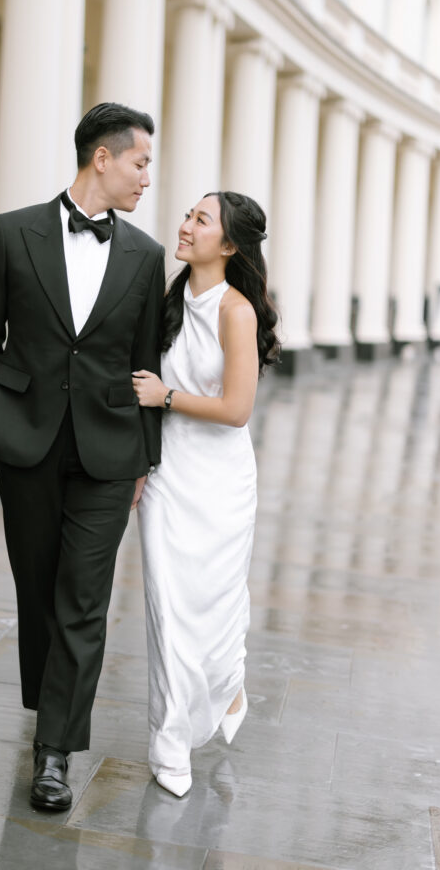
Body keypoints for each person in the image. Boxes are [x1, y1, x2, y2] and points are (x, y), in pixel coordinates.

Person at [0, 102, 165, 811]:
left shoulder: (146, 254)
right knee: (39, 589)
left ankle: (55, 753)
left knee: (85, 599)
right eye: (141, 163)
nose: (147, 178)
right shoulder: (12, 233)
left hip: (110, 452)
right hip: (27, 441)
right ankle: (48, 707)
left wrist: (146, 457)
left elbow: (147, 362)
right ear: (101, 159)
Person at [132, 190, 279, 797]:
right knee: (167, 608)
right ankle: (170, 743)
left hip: (220, 481)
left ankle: (225, 682)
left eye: (201, 220)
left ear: (229, 244)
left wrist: (164, 395)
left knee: (211, 611)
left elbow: (237, 409)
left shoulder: (236, 310)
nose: (186, 225)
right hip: (168, 472)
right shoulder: (169, 298)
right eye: (189, 215)